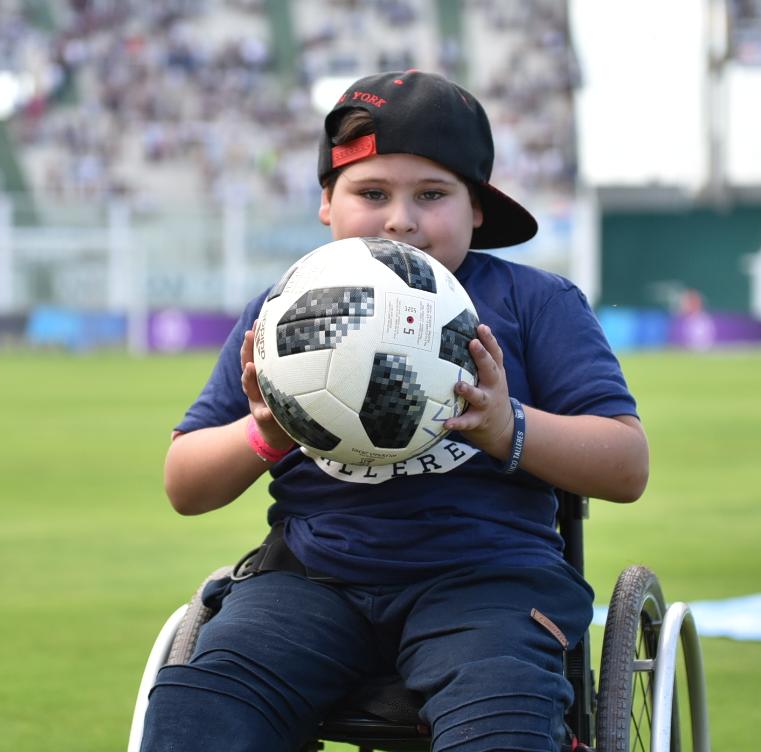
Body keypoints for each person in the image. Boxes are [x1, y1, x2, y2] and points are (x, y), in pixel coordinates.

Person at [141, 70, 649, 752]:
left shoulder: (534, 303)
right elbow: (184, 483)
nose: (400, 219)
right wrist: (263, 432)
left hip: (487, 583)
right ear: (327, 201)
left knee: (502, 724)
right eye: (371, 192)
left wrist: (509, 427)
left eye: (431, 194)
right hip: (311, 582)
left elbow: (625, 466)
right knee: (196, 710)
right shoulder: (288, 308)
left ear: (477, 207)